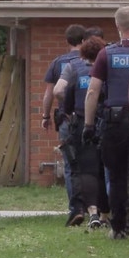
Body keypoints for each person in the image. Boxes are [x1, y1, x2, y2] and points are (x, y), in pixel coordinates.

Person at [83, 6, 129, 241]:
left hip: (114, 122)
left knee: (117, 175)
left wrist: (88, 125)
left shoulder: (106, 54)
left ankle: (118, 226)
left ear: (117, 26)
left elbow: (93, 91)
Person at [53, 32, 109, 227]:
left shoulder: (73, 67)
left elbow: (59, 91)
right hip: (107, 122)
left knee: (85, 170)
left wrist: (67, 112)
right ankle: (106, 214)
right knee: (106, 170)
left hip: (82, 123)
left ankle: (89, 211)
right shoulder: (107, 68)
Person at [42, 24, 85, 217]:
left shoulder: (58, 62)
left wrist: (45, 116)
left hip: (66, 119)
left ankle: (75, 209)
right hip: (89, 117)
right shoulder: (91, 59)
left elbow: (49, 93)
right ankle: (95, 208)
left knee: (70, 164)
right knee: (92, 164)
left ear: (67, 41)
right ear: (84, 40)